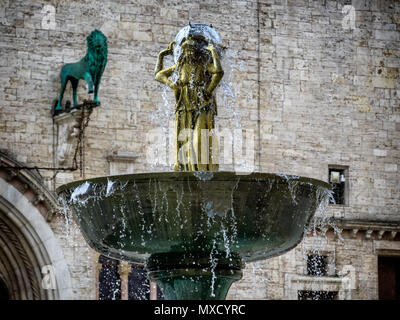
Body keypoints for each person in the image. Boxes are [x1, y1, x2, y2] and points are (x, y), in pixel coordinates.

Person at [155, 31, 224, 171]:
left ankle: (202, 170)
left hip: (202, 104)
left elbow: (218, 72)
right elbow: (158, 75)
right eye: (186, 50)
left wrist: (209, 90)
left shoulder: (203, 65)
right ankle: (186, 170)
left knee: (199, 138)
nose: (189, 53)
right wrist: (161, 56)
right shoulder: (180, 66)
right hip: (184, 105)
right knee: (184, 139)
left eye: (191, 50)